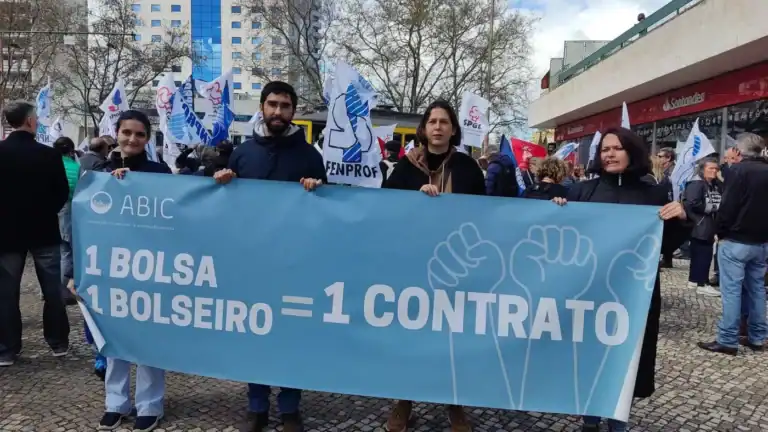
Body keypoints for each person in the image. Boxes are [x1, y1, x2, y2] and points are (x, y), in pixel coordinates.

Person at [553, 127, 688, 432]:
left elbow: (664, 245)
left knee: (626, 359)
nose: (610, 154)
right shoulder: (581, 191)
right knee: (588, 355)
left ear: (631, 152)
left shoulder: (652, 193)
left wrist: (680, 218)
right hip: (589, 292)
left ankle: (618, 421)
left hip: (632, 295)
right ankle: (589, 419)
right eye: (604, 150)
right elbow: (564, 240)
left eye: (616, 148)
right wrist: (557, 212)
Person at [214, 81, 325, 432]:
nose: (278, 112)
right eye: (273, 104)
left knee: (291, 335)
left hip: (295, 262)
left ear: (293, 111)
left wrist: (317, 189)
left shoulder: (310, 156)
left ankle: (290, 407)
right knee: (254, 334)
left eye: (285, 105)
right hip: (252, 262)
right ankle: (256, 405)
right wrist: (222, 183)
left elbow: (325, 212)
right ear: (262, 107)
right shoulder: (243, 153)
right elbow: (227, 210)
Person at [383, 100, 484, 432]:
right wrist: (416, 197)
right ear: (423, 128)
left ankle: (455, 404)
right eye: (432, 121)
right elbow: (384, 209)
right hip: (411, 266)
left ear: (453, 129)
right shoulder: (405, 168)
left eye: (444, 122)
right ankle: (404, 400)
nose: (438, 127)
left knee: (452, 337)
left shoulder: (469, 169)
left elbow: (487, 214)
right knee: (410, 336)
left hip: (456, 267)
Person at [96, 110, 171, 432]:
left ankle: (150, 403)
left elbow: (174, 217)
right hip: (112, 267)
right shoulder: (99, 171)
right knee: (114, 337)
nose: (132, 139)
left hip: (151, 266)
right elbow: (84, 219)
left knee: (150, 338)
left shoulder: (161, 172)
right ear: (117, 132)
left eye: (140, 134)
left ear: (147, 138)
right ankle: (116, 402)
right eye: (127, 132)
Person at [0, 101, 71, 367]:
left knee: (6, 294)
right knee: (53, 291)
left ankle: (7, 349)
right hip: (44, 231)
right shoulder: (49, 155)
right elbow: (61, 191)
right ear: (30, 121)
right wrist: (45, 211)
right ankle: (58, 342)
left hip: (6, 233)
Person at [698, 133, 768, 355]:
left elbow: (728, 206)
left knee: (732, 291)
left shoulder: (738, 171)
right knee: (757, 290)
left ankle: (727, 339)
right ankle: (758, 337)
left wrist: (720, 231)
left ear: (739, 151)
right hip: (761, 241)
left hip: (736, 240)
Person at [682, 157, 722, 297]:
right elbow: (691, 203)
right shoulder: (697, 184)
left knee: (701, 253)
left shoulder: (713, 184)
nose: (714, 171)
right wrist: (713, 207)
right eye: (710, 168)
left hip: (705, 223)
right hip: (700, 223)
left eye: (716, 168)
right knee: (703, 254)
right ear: (702, 169)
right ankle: (701, 283)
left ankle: (694, 280)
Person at [52, 137, 80, 306]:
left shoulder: (49, 163)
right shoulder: (76, 167)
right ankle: (60, 291)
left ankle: (47, 290)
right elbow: (78, 190)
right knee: (66, 252)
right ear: (71, 150)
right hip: (68, 210)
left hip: (49, 211)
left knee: (48, 254)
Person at [657, 147, 677, 267]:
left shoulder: (674, 171)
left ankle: (667, 257)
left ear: (668, 158)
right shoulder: (663, 170)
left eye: (660, 156)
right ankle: (666, 258)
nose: (658, 158)